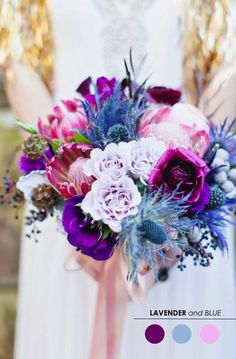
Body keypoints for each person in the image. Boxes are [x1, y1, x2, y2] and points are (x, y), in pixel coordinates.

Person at [1, 0, 235, 358]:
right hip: (70, 210)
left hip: (183, 205)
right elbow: (16, 56)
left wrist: (186, 181)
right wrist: (68, 177)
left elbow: (229, 59)